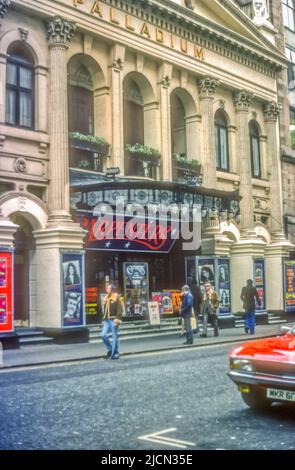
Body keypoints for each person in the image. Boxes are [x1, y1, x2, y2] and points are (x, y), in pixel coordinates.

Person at [101, 284, 124, 359]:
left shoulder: (117, 297)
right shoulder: (106, 297)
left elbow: (120, 309)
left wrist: (117, 319)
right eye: (107, 288)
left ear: (112, 289)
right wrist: (103, 319)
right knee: (103, 335)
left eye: (108, 288)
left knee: (115, 337)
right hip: (107, 320)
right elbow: (105, 310)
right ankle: (110, 350)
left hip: (114, 320)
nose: (107, 289)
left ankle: (115, 353)